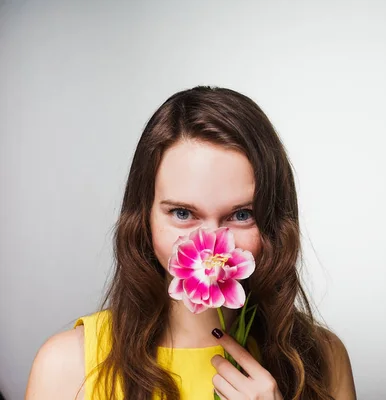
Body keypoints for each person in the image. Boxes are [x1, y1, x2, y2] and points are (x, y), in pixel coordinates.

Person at [24, 86, 356, 400]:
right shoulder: (67, 366)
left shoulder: (322, 359)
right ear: (144, 218)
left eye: (241, 215)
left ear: (273, 221)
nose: (211, 246)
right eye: (183, 213)